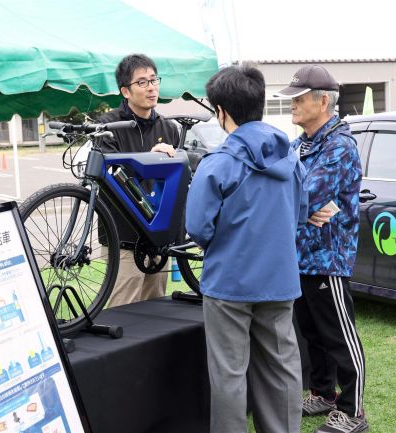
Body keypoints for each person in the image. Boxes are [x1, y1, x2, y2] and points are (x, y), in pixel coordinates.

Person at [186, 65, 306, 433]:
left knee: (229, 374)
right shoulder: (292, 158)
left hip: (229, 283)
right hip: (279, 278)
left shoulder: (218, 163)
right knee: (282, 368)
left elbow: (197, 227)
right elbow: (299, 216)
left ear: (221, 111)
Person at [274, 64, 367, 433]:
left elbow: (306, 196)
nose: (292, 105)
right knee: (312, 334)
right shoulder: (301, 144)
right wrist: (303, 209)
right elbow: (288, 192)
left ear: (323, 101)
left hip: (328, 260)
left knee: (339, 337)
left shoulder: (339, 145)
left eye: (298, 99)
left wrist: (304, 207)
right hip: (301, 256)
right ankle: (324, 394)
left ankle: (353, 412)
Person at [97, 53, 179, 308]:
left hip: (157, 236)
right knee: (122, 309)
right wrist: (148, 160)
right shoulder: (108, 125)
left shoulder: (168, 128)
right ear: (125, 91)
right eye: (142, 82)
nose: (151, 87)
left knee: (157, 309)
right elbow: (110, 175)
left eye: (154, 80)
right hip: (122, 235)